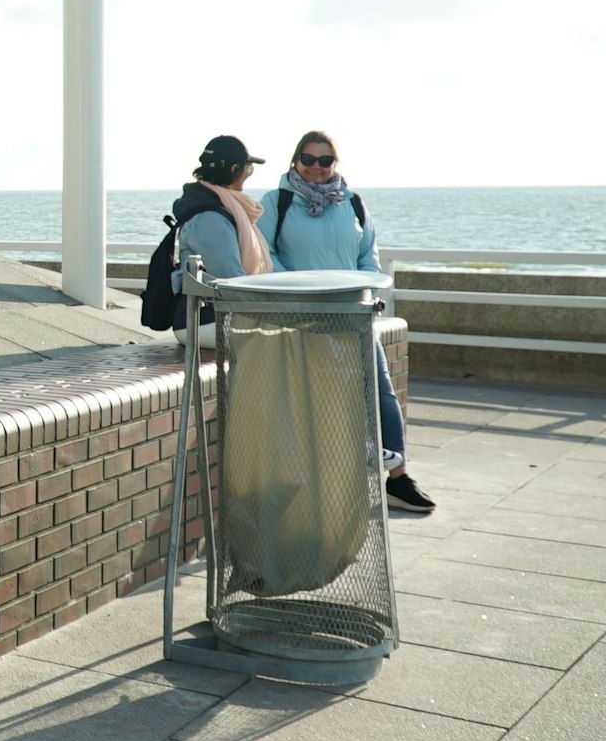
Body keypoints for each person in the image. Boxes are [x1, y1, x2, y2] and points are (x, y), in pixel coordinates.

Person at [258, 131, 436, 514]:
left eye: (325, 161)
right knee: (314, 402)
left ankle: (399, 477)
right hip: (302, 317)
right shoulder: (276, 202)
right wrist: (302, 293)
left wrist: (366, 291)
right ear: (295, 162)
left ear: (335, 164)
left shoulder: (353, 203)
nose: (316, 168)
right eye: (308, 159)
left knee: (380, 390)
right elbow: (266, 255)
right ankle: (317, 487)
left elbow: (367, 255)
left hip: (352, 311)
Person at [169, 135, 273, 348]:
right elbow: (231, 279)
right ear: (235, 169)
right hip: (203, 320)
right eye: (248, 169)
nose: (248, 176)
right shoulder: (209, 218)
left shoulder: (215, 206)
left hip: (214, 316)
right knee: (288, 337)